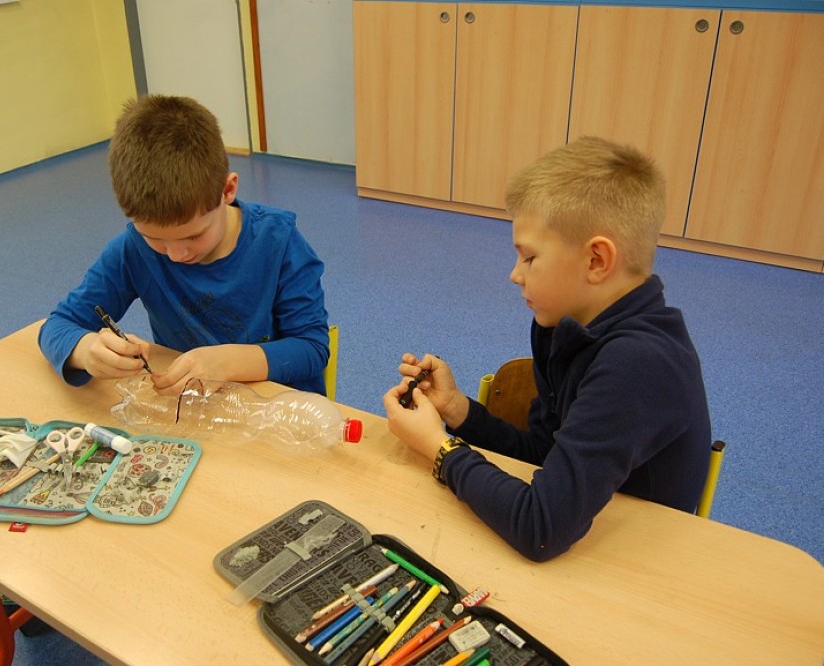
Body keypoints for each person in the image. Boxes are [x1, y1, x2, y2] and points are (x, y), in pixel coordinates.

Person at [383, 136, 711, 562]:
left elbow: (541, 529)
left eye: (529, 258)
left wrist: (439, 449)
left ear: (596, 260)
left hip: (640, 567)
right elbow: (545, 455)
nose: (515, 275)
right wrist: (458, 411)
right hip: (590, 537)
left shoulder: (640, 363)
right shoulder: (561, 327)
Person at [39, 95, 329, 395]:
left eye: (193, 236)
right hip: (192, 409)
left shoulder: (278, 241)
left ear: (227, 190)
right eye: (155, 239)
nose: (176, 255)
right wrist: (87, 350)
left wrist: (228, 362)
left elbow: (312, 349)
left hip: (277, 408)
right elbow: (57, 325)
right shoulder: (132, 251)